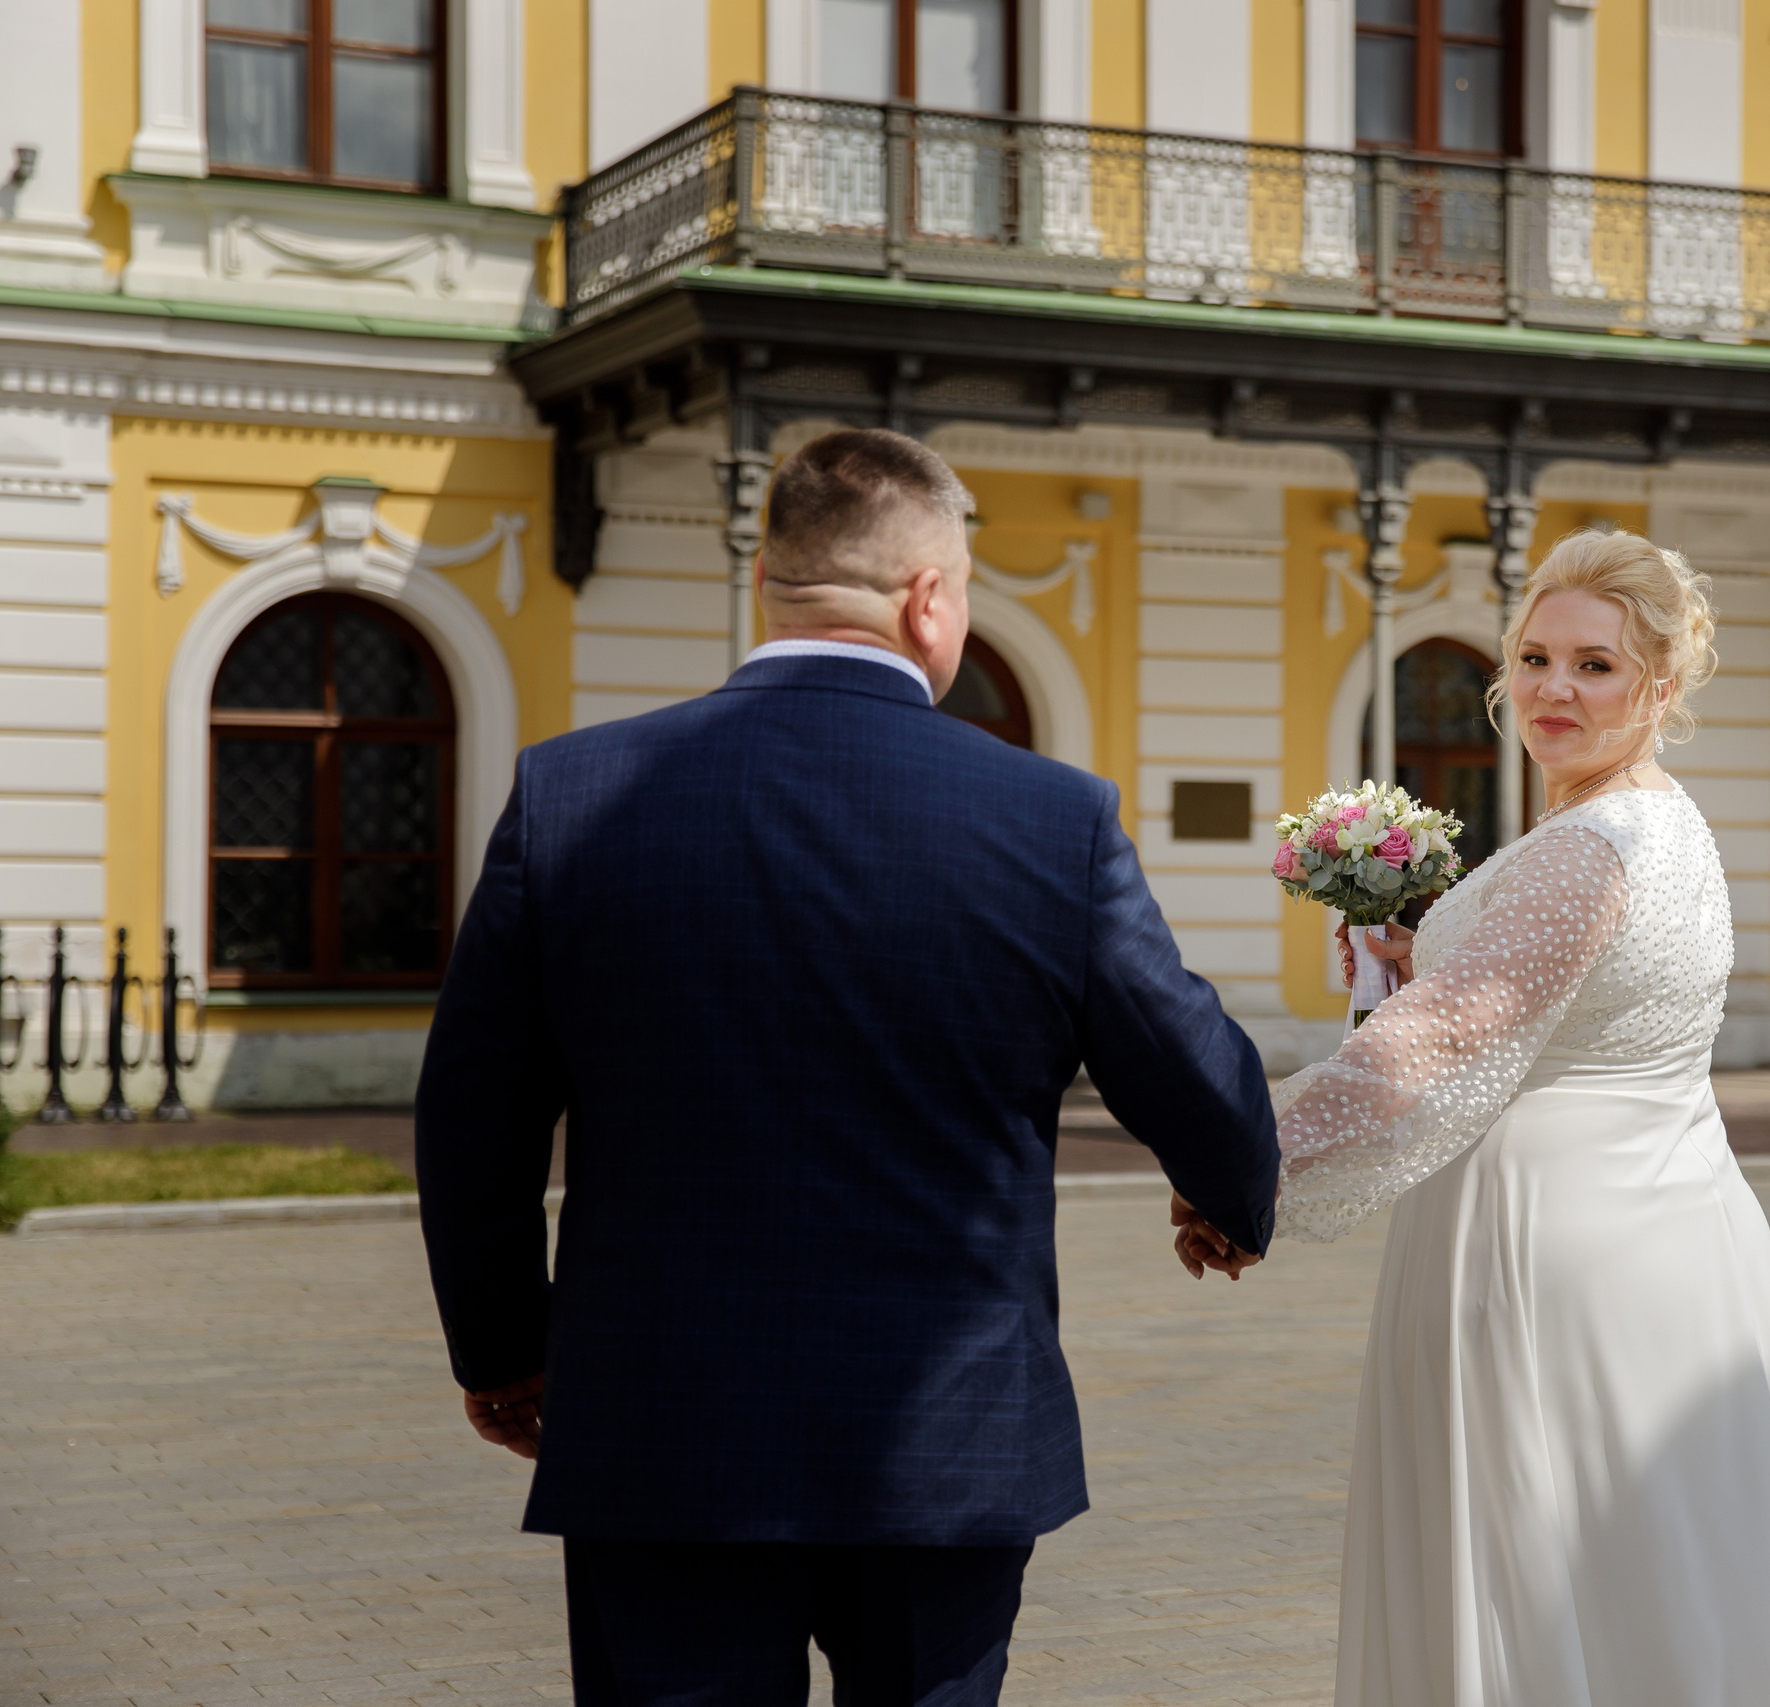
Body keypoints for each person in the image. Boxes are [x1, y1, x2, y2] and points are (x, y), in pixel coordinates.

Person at [416, 428, 1280, 1706]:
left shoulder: (570, 795)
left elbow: (472, 1117)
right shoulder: (1051, 819)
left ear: (769, 577)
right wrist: (1231, 1195)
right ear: (929, 598)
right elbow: (1192, 1073)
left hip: (661, 1425)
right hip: (944, 1439)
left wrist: (500, 1349)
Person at [1179, 530, 1770, 1704]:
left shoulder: (1587, 849)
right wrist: (1416, 950)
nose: (1552, 689)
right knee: (1655, 1581)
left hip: (1556, 1263)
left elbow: (1437, 1040)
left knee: (1549, 1575)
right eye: (1535, 658)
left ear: (1660, 686)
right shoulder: (1664, 819)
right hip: (1673, 1237)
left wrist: (1239, 1161)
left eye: (1594, 665)